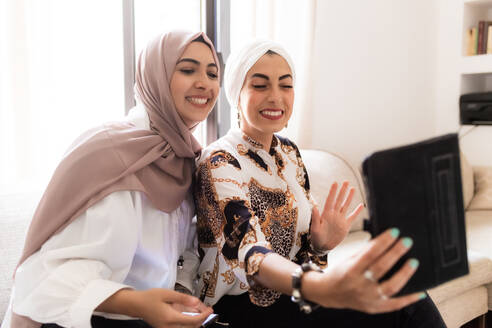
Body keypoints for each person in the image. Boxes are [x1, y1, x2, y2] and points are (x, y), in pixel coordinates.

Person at [193, 39, 447, 327]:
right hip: (240, 309)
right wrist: (321, 287)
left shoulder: (289, 153)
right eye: (260, 85)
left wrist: (320, 244)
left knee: (404, 289)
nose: (276, 97)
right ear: (236, 94)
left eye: (285, 85)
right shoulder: (218, 161)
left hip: (294, 296)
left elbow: (302, 256)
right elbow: (248, 253)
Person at [2, 30, 220, 328]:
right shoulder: (111, 153)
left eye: (212, 73)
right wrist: (140, 304)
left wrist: (180, 292)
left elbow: (183, 251)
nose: (204, 83)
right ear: (155, 76)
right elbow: (43, 279)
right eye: (187, 69)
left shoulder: (184, 160)